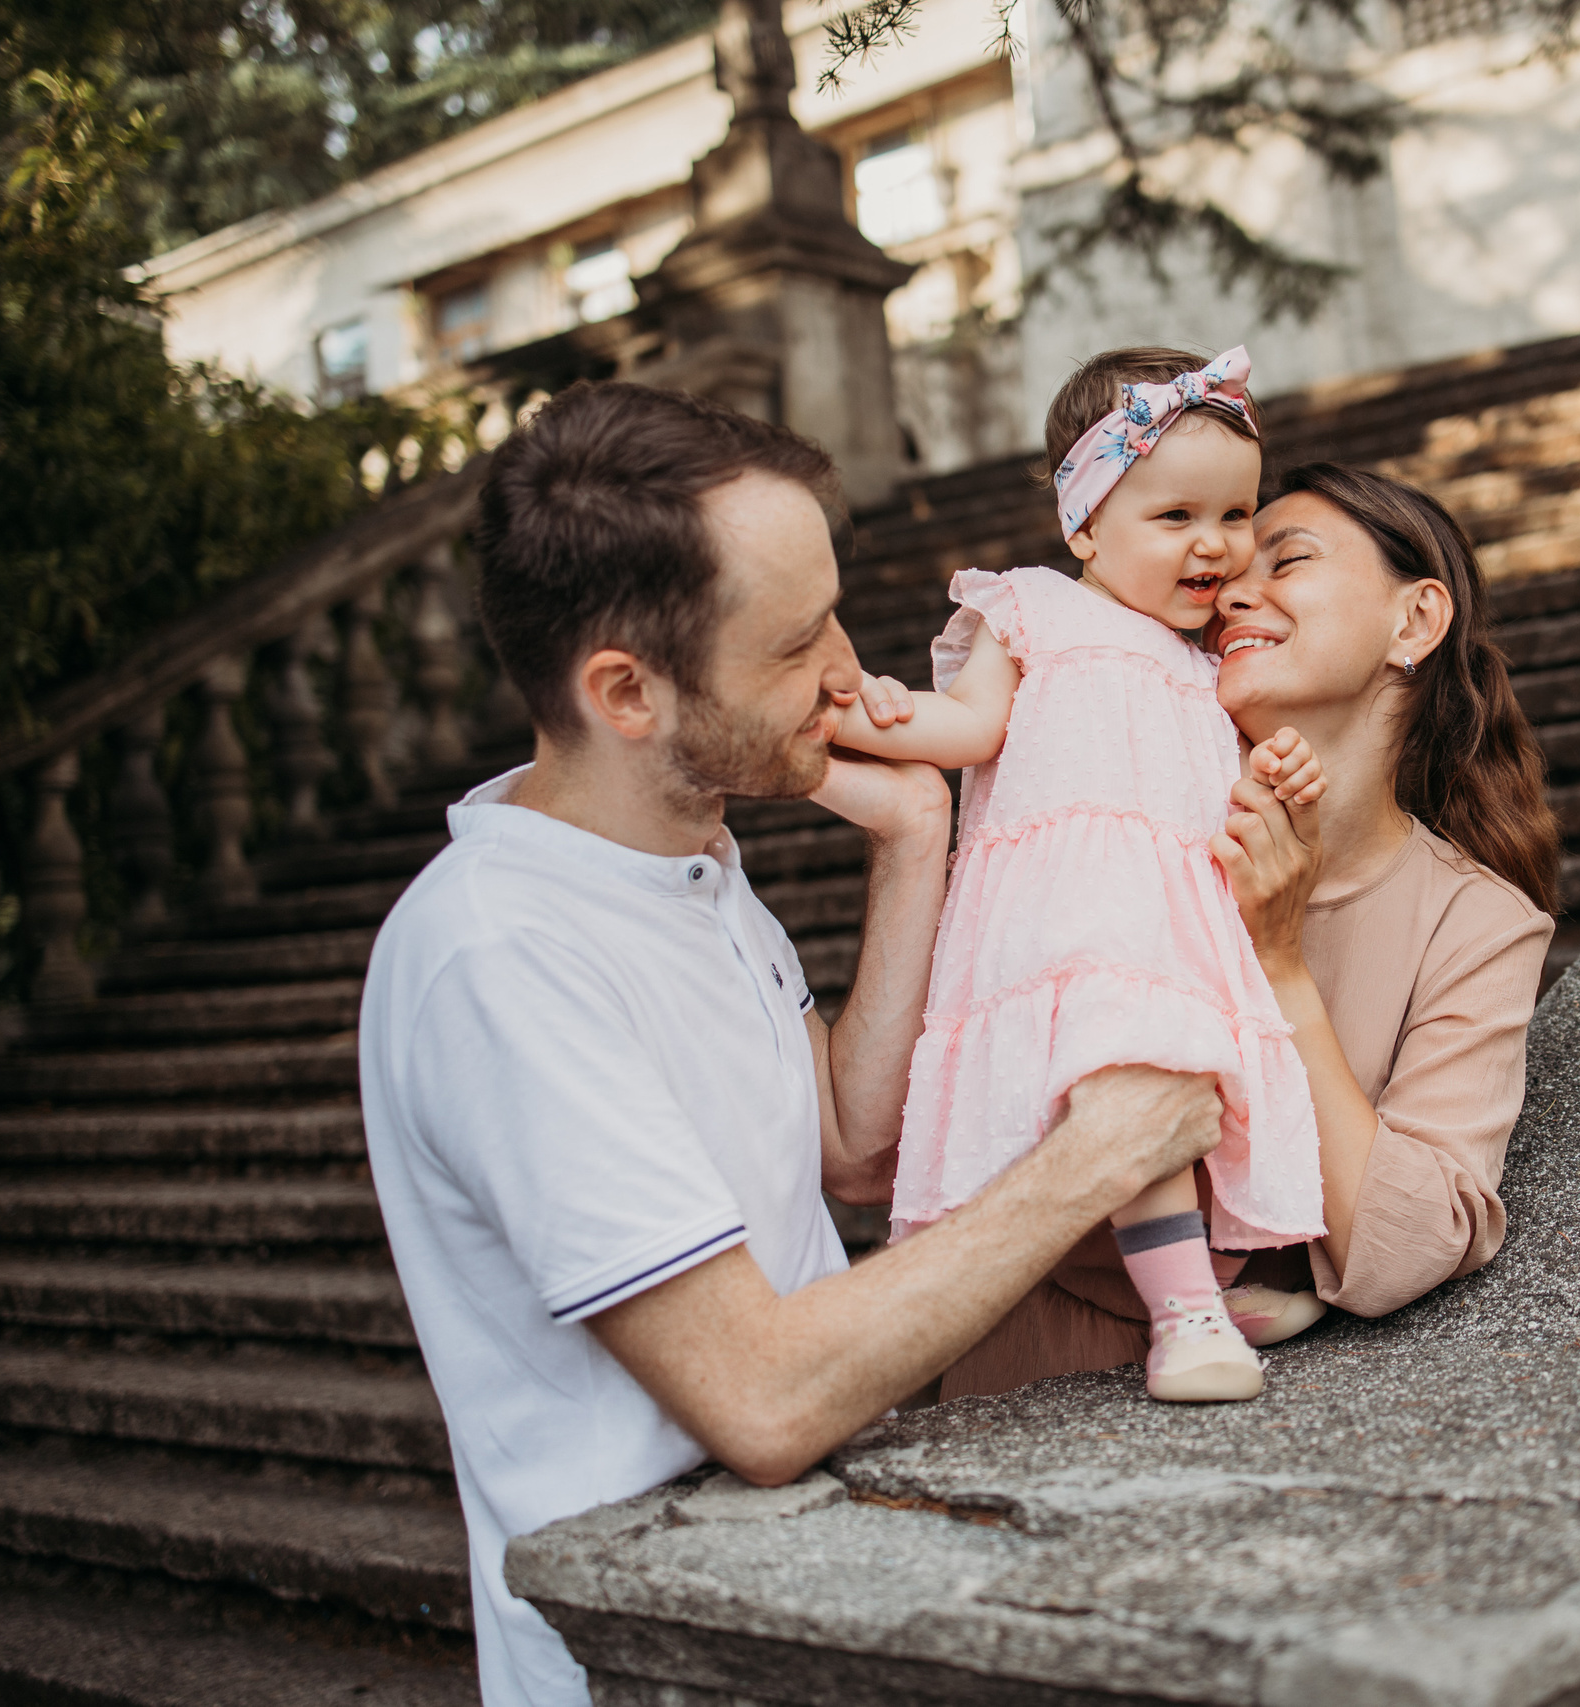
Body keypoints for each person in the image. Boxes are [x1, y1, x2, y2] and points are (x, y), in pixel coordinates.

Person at [355, 382, 1226, 1707]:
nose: (843, 663)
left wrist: (915, 840)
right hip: (651, 1649)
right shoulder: (503, 952)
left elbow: (847, 1144)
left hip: (798, 1591)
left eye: (829, 607)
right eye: (788, 642)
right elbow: (758, 1399)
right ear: (625, 691)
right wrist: (1096, 1158)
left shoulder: (684, 853)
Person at [936, 460, 1563, 1399]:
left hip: (1276, 1410)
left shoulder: (1477, 925)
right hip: (1020, 1359)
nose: (1233, 586)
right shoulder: (1106, 798)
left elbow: (1405, 1245)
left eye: (1289, 558)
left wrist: (1279, 962)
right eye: (1232, 558)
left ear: (1415, 622)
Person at [833, 346, 1328, 1404]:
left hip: (1167, 922)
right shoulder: (1032, 613)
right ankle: (1187, 1314)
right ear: (1085, 526)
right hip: (1062, 913)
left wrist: (1279, 771)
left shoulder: (1211, 668)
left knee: (1180, 1108)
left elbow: (1223, 789)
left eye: (1236, 516)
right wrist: (868, 712)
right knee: (1124, 1084)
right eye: (1175, 517)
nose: (1216, 544)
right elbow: (967, 727)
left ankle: (1200, 1279)